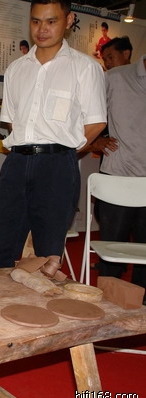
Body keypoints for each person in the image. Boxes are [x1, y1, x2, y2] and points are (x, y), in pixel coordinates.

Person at [0, 0, 106, 271]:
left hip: (57, 166)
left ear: (69, 20)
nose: (42, 29)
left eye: (51, 21)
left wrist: (63, 151)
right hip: (16, 162)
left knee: (48, 254)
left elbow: (96, 123)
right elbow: (13, 123)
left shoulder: (84, 67)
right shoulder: (16, 69)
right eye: (36, 21)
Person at [96, 52, 146, 303]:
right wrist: (94, 140)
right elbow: (86, 109)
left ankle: (142, 308)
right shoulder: (116, 77)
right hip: (119, 177)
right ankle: (106, 305)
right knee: (112, 250)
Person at [90, 37, 133, 160]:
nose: (107, 63)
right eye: (105, 60)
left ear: (126, 54)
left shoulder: (140, 82)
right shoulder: (104, 83)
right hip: (113, 155)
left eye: (111, 57)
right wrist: (96, 140)